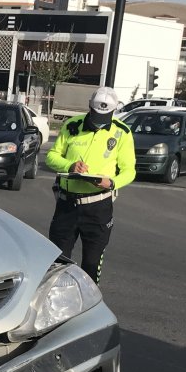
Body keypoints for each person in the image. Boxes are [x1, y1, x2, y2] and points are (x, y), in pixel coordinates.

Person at [43, 85, 135, 284]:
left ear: (113, 111)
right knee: (57, 262)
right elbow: (51, 157)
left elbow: (130, 170)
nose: (99, 123)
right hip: (67, 205)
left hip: (98, 207)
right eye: (96, 115)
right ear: (89, 108)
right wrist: (70, 165)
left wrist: (112, 182)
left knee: (92, 264)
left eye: (105, 116)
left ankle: (87, 307)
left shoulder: (122, 132)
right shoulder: (72, 126)